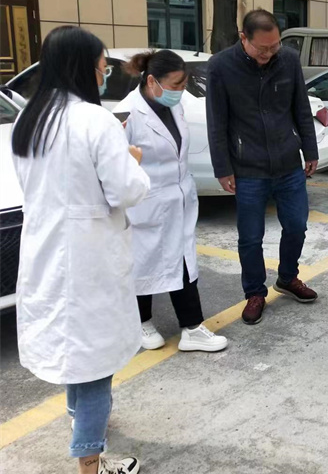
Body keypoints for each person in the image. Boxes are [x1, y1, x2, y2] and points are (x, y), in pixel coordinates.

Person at [11, 26, 150, 474]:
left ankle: (79, 420)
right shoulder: (95, 121)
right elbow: (125, 190)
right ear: (84, 68)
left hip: (46, 248)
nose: (105, 73)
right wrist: (133, 162)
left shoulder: (30, 119)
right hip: (88, 258)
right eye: (102, 65)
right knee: (94, 362)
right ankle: (90, 461)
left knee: (73, 351)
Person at [206, 9, 319, 325]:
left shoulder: (289, 60)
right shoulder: (221, 66)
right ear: (244, 38)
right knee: (250, 237)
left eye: (274, 46)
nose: (269, 54)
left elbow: (301, 107)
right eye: (262, 48)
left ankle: (287, 277)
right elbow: (217, 122)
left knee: (296, 225)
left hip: (288, 163)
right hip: (248, 167)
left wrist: (309, 150)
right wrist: (223, 168)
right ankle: (255, 292)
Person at [124, 50, 227, 352]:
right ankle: (141, 323)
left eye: (184, 84)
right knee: (142, 265)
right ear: (152, 81)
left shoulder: (174, 106)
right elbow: (116, 167)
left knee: (182, 263)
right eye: (176, 85)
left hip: (178, 200)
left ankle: (192, 328)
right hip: (145, 205)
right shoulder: (128, 113)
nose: (181, 91)